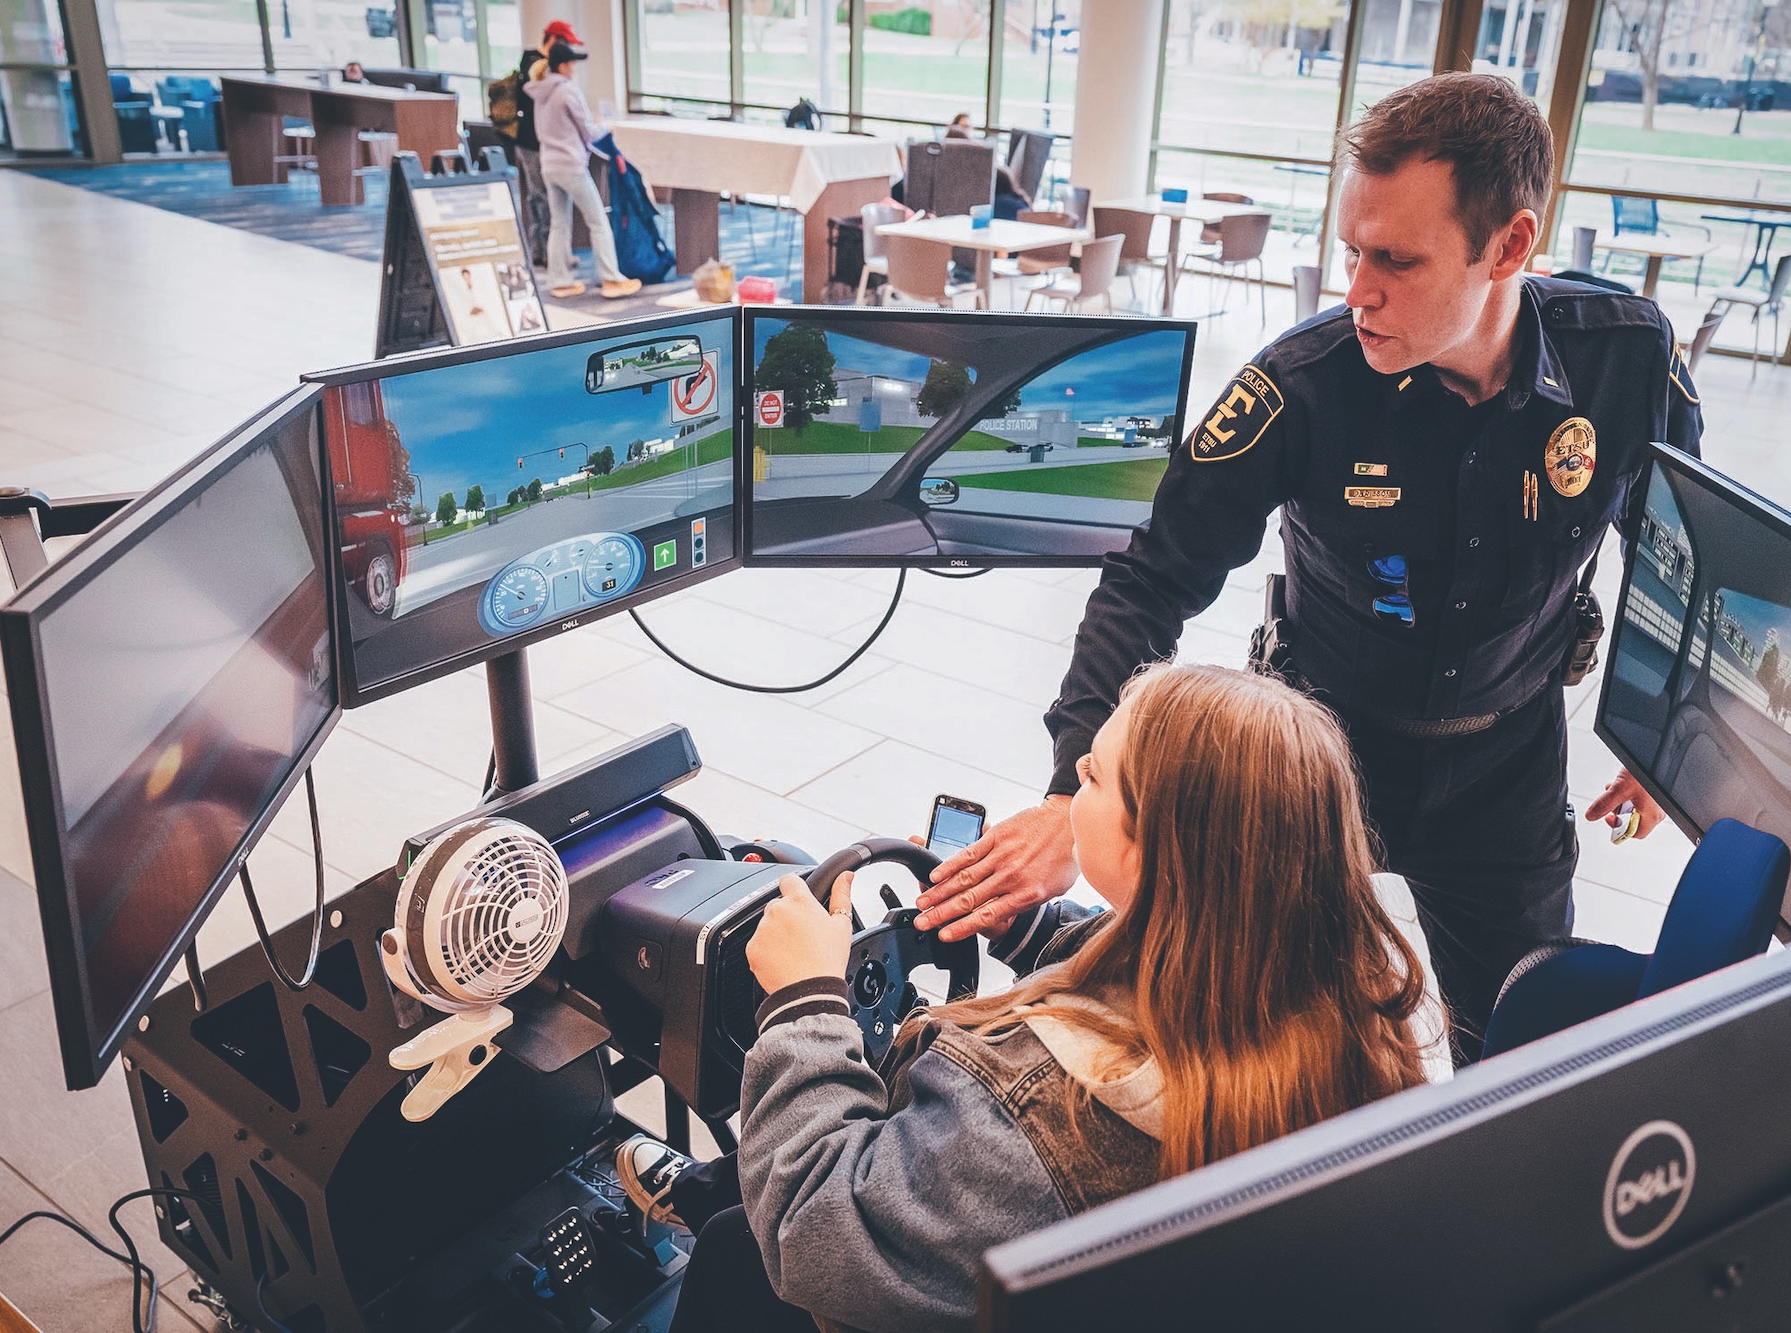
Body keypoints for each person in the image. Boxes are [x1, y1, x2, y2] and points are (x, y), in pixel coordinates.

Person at [911, 73, 1704, 1061]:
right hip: (1311, 754)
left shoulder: (1619, 363)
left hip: (1504, 762)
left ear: (1508, 246)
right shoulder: (1302, 385)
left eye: (1396, 261)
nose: (1356, 291)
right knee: (1241, 1037)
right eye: (1349, 252)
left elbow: (1678, 555)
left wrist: (1665, 726)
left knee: (1521, 1051)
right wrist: (1075, 786)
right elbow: (1152, 575)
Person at [613, 662, 1447, 1333]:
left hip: (856, 1239)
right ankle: (709, 1188)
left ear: (1155, 852)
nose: (1070, 786)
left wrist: (806, 1000)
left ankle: (710, 1198)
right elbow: (1156, 967)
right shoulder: (1348, 997)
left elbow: (816, 1231)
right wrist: (1023, 925)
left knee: (742, 1246)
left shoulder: (1037, 1115)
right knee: (729, 1217)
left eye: (1091, 774)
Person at [523, 42, 640, 300]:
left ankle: (560, 282)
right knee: (598, 221)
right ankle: (611, 279)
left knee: (558, 224)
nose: (574, 69)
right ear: (563, 65)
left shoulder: (540, 92)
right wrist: (607, 127)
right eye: (572, 64)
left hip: (549, 165)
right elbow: (587, 131)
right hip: (571, 166)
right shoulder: (567, 92)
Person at [511, 19, 576, 267]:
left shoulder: (529, 63)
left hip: (531, 141)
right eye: (565, 44)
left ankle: (542, 251)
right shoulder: (537, 67)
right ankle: (549, 253)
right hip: (533, 143)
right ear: (553, 40)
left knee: (538, 197)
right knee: (544, 198)